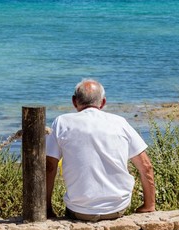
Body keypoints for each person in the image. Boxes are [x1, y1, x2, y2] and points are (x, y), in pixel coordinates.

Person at [46, 78, 156, 221]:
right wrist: (149, 205)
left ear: (74, 101)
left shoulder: (61, 122)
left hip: (79, 210)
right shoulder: (120, 123)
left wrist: (47, 209)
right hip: (118, 208)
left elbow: (49, 167)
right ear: (103, 102)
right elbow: (146, 166)